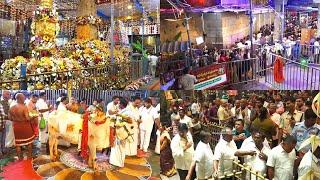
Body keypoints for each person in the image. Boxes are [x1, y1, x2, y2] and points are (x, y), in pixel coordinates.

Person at [9, 93, 37, 160]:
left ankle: (20, 158)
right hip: (25, 126)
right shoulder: (24, 107)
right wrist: (33, 116)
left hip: (16, 127)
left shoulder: (12, 107)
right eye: (23, 98)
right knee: (29, 143)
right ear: (20, 98)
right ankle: (29, 158)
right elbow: (27, 118)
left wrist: (16, 120)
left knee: (18, 144)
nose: (24, 99)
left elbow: (10, 118)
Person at [109, 98, 129, 167]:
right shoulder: (121, 111)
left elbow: (127, 123)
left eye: (119, 103)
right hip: (117, 132)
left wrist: (116, 124)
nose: (118, 104)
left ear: (122, 105)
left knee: (121, 148)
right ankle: (114, 161)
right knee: (115, 146)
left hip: (122, 133)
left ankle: (120, 163)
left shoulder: (127, 112)